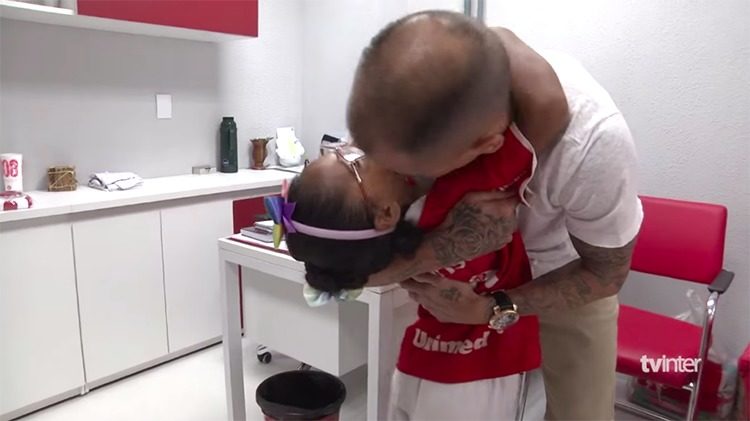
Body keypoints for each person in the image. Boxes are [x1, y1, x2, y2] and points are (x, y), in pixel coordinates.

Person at [347, 11, 642, 421]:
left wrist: (495, 307)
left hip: (563, 270)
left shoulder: (591, 142)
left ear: (485, 147)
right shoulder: (400, 109)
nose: (400, 186)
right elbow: (344, 268)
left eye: (413, 174)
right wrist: (438, 250)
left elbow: (606, 274)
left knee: (582, 412)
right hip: (462, 281)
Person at [283, 123, 541, 419]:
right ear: (386, 212)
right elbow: (532, 120)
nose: (355, 148)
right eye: (353, 163)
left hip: (420, 357)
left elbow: (331, 275)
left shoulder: (388, 244)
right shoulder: (455, 195)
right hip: (485, 367)